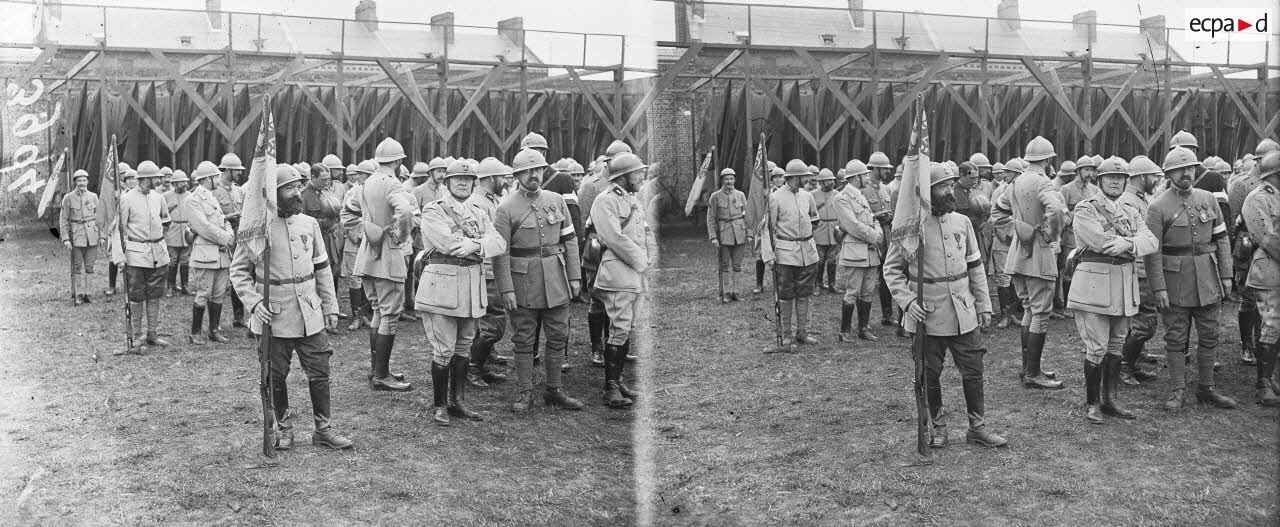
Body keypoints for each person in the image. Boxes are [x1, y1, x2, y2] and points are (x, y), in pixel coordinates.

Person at [882, 162, 1007, 449]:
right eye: (942, 186)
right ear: (927, 191)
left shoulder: (961, 222)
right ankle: (937, 427)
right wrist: (908, 301)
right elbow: (891, 270)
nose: (950, 191)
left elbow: (975, 266)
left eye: (951, 185)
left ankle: (977, 427)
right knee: (929, 374)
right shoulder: (910, 227)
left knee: (974, 372)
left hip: (964, 312)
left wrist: (984, 303)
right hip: (927, 313)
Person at [230, 165, 351, 450]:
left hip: (310, 312)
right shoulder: (257, 227)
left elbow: (322, 268)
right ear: (274, 193)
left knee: (320, 372)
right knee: (275, 376)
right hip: (274, 314)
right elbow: (238, 272)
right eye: (289, 188)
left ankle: (323, 428)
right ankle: (283, 428)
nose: (297, 193)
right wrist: (254, 302)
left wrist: (330, 306)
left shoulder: (309, 223)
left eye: (299, 186)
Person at [1067, 156, 1159, 423]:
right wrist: (1131, 242)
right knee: (1096, 347)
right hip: (1094, 287)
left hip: (1123, 287)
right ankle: (1093, 404)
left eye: (1121, 178)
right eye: (1110, 177)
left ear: (1126, 182)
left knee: (1117, 344)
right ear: (1099, 180)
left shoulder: (1131, 210)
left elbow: (1150, 240)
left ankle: (1110, 401)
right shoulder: (1086, 208)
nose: (1116, 182)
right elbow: (1098, 241)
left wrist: (1127, 244)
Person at [492, 148, 585, 412]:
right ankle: (524, 392)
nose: (534, 175)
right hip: (523, 282)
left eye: (538, 170)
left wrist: (575, 276)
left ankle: (554, 390)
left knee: (558, 334)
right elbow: (501, 253)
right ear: (517, 175)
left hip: (556, 277)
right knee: (523, 337)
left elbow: (570, 240)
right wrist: (506, 288)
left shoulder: (556, 200)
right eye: (528, 171)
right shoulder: (506, 208)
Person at [414, 160, 506, 425]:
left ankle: (458, 401)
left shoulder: (478, 210)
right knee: (443, 348)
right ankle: (440, 405)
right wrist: (480, 245)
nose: (463, 183)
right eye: (457, 179)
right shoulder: (434, 210)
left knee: (464, 345)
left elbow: (498, 242)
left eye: (468, 180)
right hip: (442, 286)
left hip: (471, 286)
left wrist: (472, 245)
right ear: (447, 182)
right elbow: (449, 244)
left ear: (474, 183)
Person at [1145, 146, 1237, 410]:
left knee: (1210, 334)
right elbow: (1152, 253)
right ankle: (1177, 391)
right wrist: (1159, 288)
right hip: (1174, 283)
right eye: (1179, 169)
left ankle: (1206, 389)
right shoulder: (1157, 207)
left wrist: (1227, 275)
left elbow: (1222, 239)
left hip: (1208, 278)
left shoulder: (1208, 198)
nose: (1186, 173)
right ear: (1169, 173)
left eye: (1190, 168)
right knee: (1175, 337)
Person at [990, 136, 1066, 389]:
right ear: (1048, 160)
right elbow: (1055, 210)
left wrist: (1018, 230)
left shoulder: (1015, 182)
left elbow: (996, 213)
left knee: (1029, 310)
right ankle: (1033, 373)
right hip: (1040, 255)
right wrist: (1051, 234)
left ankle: (1028, 369)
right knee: (1040, 313)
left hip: (1017, 255)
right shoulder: (1044, 182)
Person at [341, 139, 416, 392]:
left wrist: (367, 229)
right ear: (398, 161)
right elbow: (405, 212)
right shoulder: (392, 183)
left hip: (367, 255)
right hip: (388, 256)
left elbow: (347, 213)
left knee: (377, 310)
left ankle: (377, 369)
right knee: (390, 314)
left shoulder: (364, 183)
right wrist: (402, 235)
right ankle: (381, 375)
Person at [591, 152, 656, 408]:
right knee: (619, 327)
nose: (641, 176)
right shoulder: (605, 201)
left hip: (634, 274)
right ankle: (609, 387)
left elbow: (643, 232)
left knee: (626, 327)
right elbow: (614, 238)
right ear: (623, 175)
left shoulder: (631, 199)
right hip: (618, 272)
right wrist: (642, 261)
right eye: (637, 172)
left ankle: (617, 381)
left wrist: (647, 261)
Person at [113, 161, 171, 355]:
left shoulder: (158, 197)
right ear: (146, 178)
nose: (159, 180)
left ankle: (152, 334)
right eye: (156, 178)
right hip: (136, 255)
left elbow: (165, 221)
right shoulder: (126, 199)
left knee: (155, 294)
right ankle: (137, 336)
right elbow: (118, 230)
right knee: (137, 296)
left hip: (159, 253)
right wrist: (119, 256)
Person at [465, 158, 513, 388]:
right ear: (492, 178)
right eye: (502, 177)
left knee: (490, 322)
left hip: (493, 269)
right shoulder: (478, 203)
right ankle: (472, 369)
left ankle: (478, 366)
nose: (505, 181)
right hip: (486, 270)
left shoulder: (491, 200)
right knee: (493, 323)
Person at [1231, 140, 1280, 366]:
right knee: (1251, 304)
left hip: (1269, 259)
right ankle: (1247, 347)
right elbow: (1236, 221)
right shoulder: (1247, 187)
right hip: (1253, 254)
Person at [1115, 156, 1164, 385]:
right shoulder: (1127, 202)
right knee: (1145, 322)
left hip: (1145, 269)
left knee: (1142, 320)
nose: (1156, 180)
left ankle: (1132, 363)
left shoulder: (1141, 199)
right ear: (1141, 176)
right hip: (1138, 269)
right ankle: (1125, 367)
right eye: (1153, 176)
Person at [764, 159, 820, 353]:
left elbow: (814, 219)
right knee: (786, 295)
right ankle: (787, 335)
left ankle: (802, 332)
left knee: (804, 293)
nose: (808, 179)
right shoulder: (776, 197)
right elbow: (767, 228)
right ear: (795, 177)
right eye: (805, 176)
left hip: (808, 251)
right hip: (785, 254)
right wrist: (768, 255)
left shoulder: (807, 196)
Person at [1239, 151, 1280, 407]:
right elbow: (1267, 238)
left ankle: (1273, 378)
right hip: (1269, 274)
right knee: (1271, 324)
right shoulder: (1257, 199)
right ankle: (1263, 384)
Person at [183, 161, 235, 345]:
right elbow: (202, 227)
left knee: (219, 293)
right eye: (216, 176)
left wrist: (230, 235)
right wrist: (225, 239)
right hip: (205, 254)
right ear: (207, 179)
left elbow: (223, 220)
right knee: (203, 293)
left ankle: (214, 330)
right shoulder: (193, 199)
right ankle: (195, 332)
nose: (219, 179)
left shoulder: (212, 198)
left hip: (221, 254)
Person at [834, 159, 883, 342]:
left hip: (870, 252)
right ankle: (844, 332)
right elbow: (852, 225)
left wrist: (878, 234)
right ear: (856, 177)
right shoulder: (842, 198)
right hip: (855, 253)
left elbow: (873, 219)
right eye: (865, 174)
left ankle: (863, 329)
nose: (868, 177)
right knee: (852, 292)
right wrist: (875, 237)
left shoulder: (861, 196)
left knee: (868, 292)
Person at [865, 151, 899, 329]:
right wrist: (877, 216)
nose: (887, 172)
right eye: (885, 169)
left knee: (886, 277)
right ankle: (865, 322)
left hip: (887, 238)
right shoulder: (862, 189)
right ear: (875, 168)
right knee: (868, 280)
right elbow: (859, 215)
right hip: (870, 239)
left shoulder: (886, 189)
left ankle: (887, 315)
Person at [707, 168, 750, 303]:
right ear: (722, 181)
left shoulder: (741, 195)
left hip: (740, 233)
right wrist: (713, 237)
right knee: (725, 265)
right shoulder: (715, 196)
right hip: (724, 234)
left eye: (731, 179)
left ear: (735, 180)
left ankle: (736, 292)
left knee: (737, 265)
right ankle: (726, 293)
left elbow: (747, 215)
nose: (729, 181)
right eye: (726, 179)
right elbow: (711, 218)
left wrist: (749, 233)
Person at [302, 164, 343, 301]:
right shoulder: (304, 196)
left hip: (330, 241)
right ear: (313, 177)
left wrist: (336, 220)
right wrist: (323, 223)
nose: (327, 182)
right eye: (323, 179)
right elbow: (300, 222)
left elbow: (336, 212)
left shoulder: (326, 192)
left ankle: (332, 306)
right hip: (314, 244)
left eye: (328, 179)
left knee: (332, 274)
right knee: (318, 276)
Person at [342, 162, 374, 332]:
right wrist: (357, 236)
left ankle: (365, 314)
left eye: (366, 174)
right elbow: (344, 217)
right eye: (360, 174)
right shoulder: (352, 192)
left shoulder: (377, 193)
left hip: (371, 241)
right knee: (355, 279)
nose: (362, 177)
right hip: (354, 241)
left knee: (368, 277)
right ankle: (356, 316)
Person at [61, 169, 100, 305]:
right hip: (76, 236)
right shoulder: (68, 198)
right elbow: (64, 219)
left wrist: (102, 236)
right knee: (77, 267)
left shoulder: (93, 197)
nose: (82, 183)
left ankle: (88, 294)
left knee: (90, 267)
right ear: (75, 182)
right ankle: (78, 294)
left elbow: (99, 217)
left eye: (84, 180)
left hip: (92, 236)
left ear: (87, 181)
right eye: (79, 180)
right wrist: (66, 238)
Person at [103, 167, 137, 296]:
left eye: (133, 178)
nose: (131, 181)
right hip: (119, 227)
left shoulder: (141, 193)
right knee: (114, 257)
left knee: (132, 258)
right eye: (128, 178)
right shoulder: (120, 193)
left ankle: (131, 285)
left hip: (134, 228)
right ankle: (112, 286)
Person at [162, 170, 193, 297]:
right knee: (172, 260)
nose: (184, 184)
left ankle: (185, 286)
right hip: (172, 229)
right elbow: (162, 214)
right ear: (175, 183)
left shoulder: (190, 195)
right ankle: (170, 286)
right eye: (181, 182)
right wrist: (170, 208)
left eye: (185, 181)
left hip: (186, 229)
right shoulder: (165, 196)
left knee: (185, 260)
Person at [812, 168, 840, 294]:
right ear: (821, 182)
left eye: (832, 180)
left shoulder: (837, 194)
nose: (831, 183)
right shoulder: (813, 194)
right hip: (820, 229)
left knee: (832, 258)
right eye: (828, 181)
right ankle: (818, 284)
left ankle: (832, 284)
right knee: (820, 258)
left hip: (834, 229)